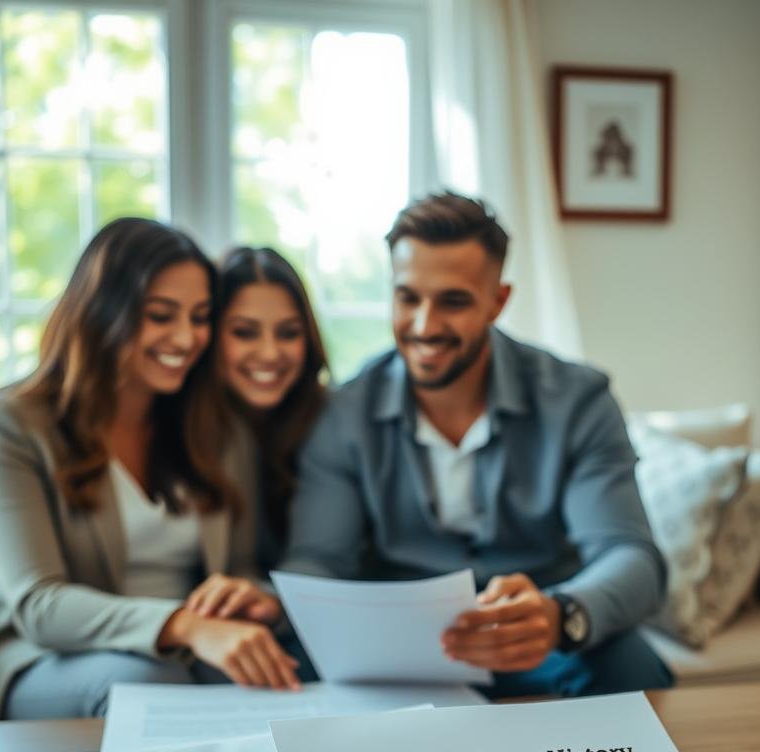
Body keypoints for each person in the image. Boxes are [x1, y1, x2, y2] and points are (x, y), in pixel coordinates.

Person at [277, 191, 672, 698]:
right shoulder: (343, 412)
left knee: (631, 668)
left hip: (538, 639)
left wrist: (561, 614)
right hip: (398, 648)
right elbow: (317, 559)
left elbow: (630, 555)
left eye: (453, 301)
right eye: (408, 297)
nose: (424, 326)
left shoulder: (577, 400)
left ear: (498, 302)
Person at [0, 218, 299, 721]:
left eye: (201, 317)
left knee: (291, 664)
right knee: (148, 684)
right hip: (46, 658)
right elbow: (39, 606)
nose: (186, 337)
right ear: (101, 312)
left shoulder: (217, 427)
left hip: (187, 652)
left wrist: (254, 598)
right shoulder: (10, 425)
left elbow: (237, 565)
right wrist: (185, 625)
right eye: (161, 315)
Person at [193, 246, 329, 679]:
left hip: (308, 616)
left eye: (288, 333)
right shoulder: (185, 427)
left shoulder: (328, 421)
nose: (270, 353)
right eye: (245, 332)